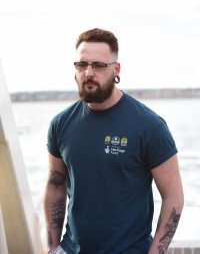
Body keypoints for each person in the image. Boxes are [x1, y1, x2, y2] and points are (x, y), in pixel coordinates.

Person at [44, 28, 184, 254]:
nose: (89, 72)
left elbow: (173, 197)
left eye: (99, 65)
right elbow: (55, 185)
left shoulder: (149, 126)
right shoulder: (61, 124)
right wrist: (53, 246)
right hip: (71, 249)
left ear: (116, 70)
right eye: (82, 65)